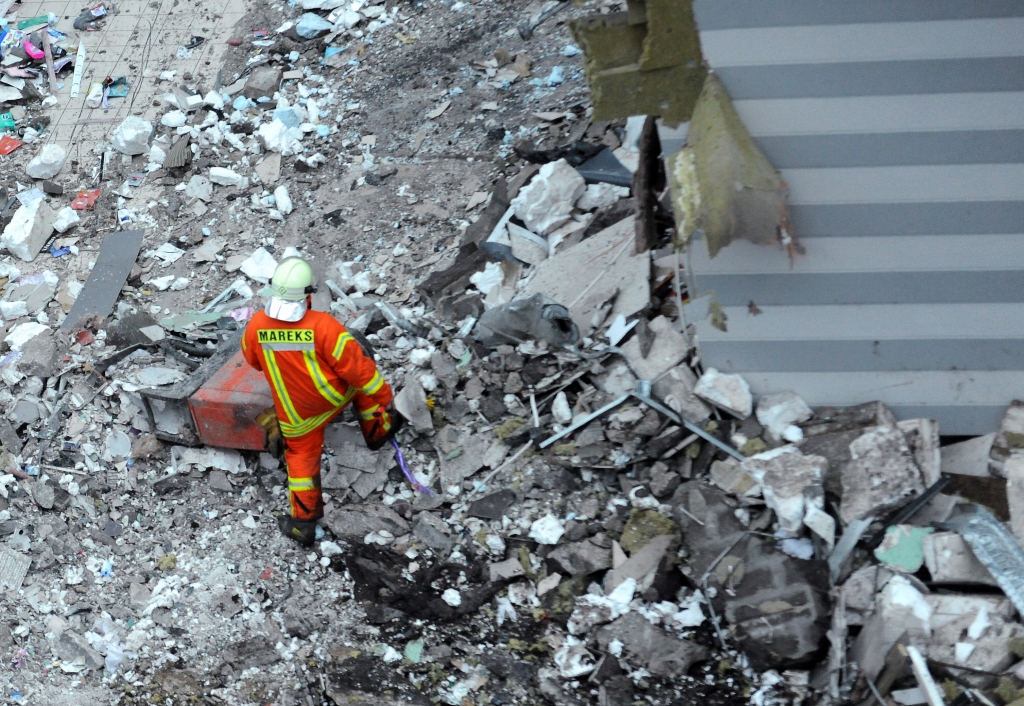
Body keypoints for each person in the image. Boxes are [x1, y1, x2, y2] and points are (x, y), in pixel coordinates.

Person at [241, 257, 402, 546]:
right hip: (336, 397)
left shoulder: (256, 327)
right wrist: (385, 399)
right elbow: (359, 370)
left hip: (297, 415)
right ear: (308, 294)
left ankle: (303, 525)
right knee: (361, 383)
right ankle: (378, 430)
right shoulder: (324, 326)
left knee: (301, 461)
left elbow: (253, 363)